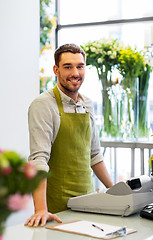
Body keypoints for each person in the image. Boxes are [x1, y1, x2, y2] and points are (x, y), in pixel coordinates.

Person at [25, 43, 113, 228]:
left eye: (80, 66)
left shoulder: (87, 103)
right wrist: (40, 209)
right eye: (68, 67)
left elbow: (95, 156)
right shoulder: (43, 105)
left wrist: (115, 192)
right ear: (56, 70)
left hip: (88, 205)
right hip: (57, 209)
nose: (75, 73)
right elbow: (38, 160)